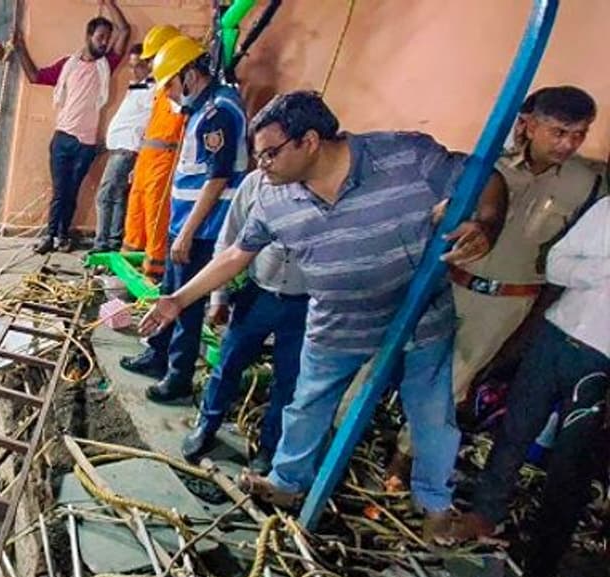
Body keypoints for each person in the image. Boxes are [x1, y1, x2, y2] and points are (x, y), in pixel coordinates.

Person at [137, 91, 507, 539]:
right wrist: (178, 300)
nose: (262, 165)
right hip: (337, 321)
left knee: (431, 415)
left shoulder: (404, 155)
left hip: (419, 314)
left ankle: (435, 505)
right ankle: (287, 482)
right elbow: (237, 253)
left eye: (270, 153)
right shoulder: (274, 197)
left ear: (309, 141)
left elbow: (484, 177)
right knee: (307, 404)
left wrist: (488, 223)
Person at [383, 86, 603, 485]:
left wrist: (533, 318)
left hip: (505, 303)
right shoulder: (485, 164)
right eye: (558, 132)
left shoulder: (586, 184)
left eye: (579, 134)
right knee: (384, 359)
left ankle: (402, 462)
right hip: (447, 284)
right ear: (529, 126)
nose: (568, 144)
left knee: (451, 385)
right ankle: (337, 439)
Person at [451, 199, 609, 577]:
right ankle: (485, 515)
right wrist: (601, 270)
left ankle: (538, 570)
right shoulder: (607, 210)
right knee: (514, 433)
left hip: (601, 363)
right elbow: (555, 264)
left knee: (570, 469)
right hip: (555, 338)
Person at [120, 34, 249, 405]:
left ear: (189, 75)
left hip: (202, 229)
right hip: (187, 222)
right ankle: (157, 353)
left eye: (171, 85)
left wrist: (187, 233)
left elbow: (217, 178)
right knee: (170, 292)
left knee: (185, 304)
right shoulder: (203, 108)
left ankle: (177, 377)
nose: (170, 94)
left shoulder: (217, 113)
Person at [182, 169, 308, 474]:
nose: (267, 162)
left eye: (273, 153)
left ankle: (269, 447)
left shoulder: (326, 187)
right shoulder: (256, 182)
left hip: (305, 302)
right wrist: (219, 297)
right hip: (258, 294)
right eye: (262, 154)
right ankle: (207, 426)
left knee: (289, 379)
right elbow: (228, 241)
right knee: (229, 363)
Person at [15, 0, 130, 253]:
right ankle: (50, 236)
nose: (104, 42)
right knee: (59, 192)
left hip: (86, 144)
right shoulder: (68, 65)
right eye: (100, 37)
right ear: (89, 36)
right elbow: (35, 76)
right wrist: (19, 48)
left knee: (72, 192)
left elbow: (124, 31)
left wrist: (109, 3)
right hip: (62, 139)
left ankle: (62, 235)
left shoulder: (106, 65)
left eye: (107, 38)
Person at [120, 24, 188, 280]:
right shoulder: (161, 87)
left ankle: (154, 271)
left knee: (156, 215)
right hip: (148, 159)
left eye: (151, 59)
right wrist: (138, 164)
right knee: (136, 211)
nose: (149, 65)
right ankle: (129, 261)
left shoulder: (178, 87)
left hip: (164, 161)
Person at [91, 43, 154, 253]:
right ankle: (112, 241)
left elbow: (151, 120)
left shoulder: (151, 89)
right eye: (131, 66)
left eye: (139, 66)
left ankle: (102, 244)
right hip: (120, 148)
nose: (134, 71)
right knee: (117, 197)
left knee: (105, 196)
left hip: (127, 149)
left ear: (150, 65)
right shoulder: (139, 87)